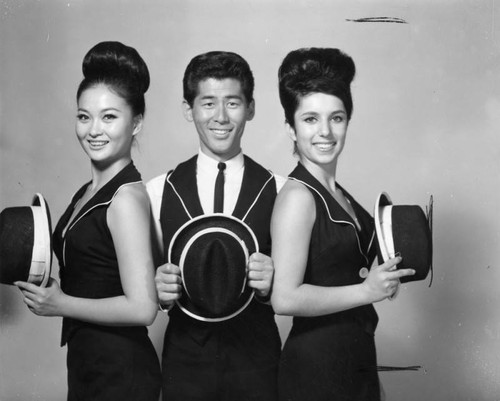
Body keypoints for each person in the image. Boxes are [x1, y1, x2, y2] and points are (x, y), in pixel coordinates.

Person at [15, 41, 161, 401]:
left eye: (109, 116)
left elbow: (143, 308)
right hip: (89, 362)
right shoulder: (89, 190)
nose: (93, 130)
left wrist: (60, 303)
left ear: (137, 122)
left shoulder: (125, 198)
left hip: (120, 371)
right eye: (84, 116)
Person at [270, 47, 416, 401]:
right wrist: (367, 292)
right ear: (290, 128)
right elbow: (284, 297)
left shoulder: (342, 195)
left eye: (336, 118)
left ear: (348, 121)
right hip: (316, 371)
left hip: (355, 361)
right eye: (309, 120)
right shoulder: (298, 197)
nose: (325, 132)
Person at [147, 50, 283, 401]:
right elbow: (139, 289)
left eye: (233, 103)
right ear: (187, 109)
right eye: (208, 103)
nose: (220, 117)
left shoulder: (282, 191)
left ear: (251, 108)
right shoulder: (157, 191)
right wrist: (156, 290)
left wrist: (275, 283)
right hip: (185, 363)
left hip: (258, 362)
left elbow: (303, 284)